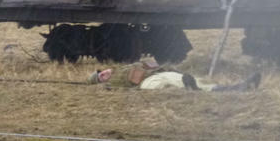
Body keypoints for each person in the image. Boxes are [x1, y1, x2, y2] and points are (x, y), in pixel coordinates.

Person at [89, 58, 261, 91]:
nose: (104, 74)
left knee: (198, 82)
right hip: (146, 84)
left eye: (101, 72)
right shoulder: (113, 83)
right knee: (168, 78)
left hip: (154, 76)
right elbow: (125, 88)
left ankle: (238, 87)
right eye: (101, 78)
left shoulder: (124, 67)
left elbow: (149, 63)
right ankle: (189, 85)